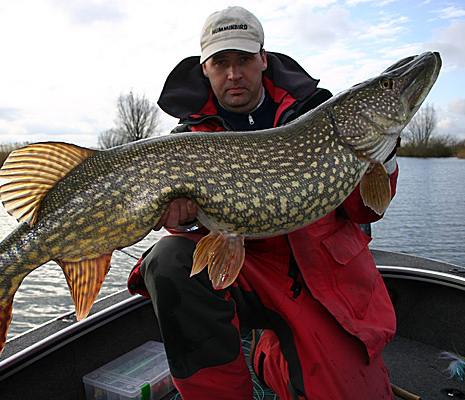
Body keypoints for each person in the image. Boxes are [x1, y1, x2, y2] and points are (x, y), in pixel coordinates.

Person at [128, 6, 399, 400]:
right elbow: (186, 233)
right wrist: (183, 222)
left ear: (263, 59)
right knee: (169, 260)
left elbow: (363, 210)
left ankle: (273, 356)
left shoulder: (318, 115)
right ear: (205, 68)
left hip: (322, 279)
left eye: (243, 60)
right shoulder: (187, 139)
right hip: (245, 274)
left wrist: (383, 154)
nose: (233, 74)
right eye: (221, 62)